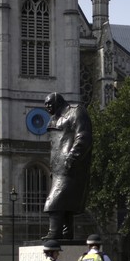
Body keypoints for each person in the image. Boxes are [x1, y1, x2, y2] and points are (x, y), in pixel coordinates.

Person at [41, 92, 93, 241]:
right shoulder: (53, 120)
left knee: (55, 200)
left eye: (49, 104)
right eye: (45, 106)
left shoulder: (76, 111)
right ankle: (65, 233)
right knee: (66, 202)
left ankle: (54, 232)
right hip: (57, 166)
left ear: (58, 100)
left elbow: (83, 136)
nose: (48, 108)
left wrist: (72, 157)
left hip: (71, 164)